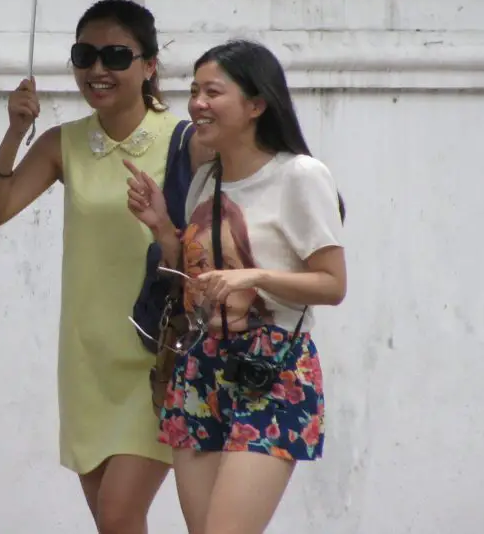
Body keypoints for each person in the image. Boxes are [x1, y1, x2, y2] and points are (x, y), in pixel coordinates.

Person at [0, 0, 210, 534]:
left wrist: (163, 229)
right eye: (85, 55)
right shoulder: (66, 143)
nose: (97, 70)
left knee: (119, 513)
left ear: (149, 64)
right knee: (113, 524)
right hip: (86, 361)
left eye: (115, 55)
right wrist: (15, 132)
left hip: (155, 359)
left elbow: (208, 252)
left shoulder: (187, 143)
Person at [125, 39, 347, 534]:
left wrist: (256, 277)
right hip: (201, 366)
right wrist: (163, 228)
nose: (197, 104)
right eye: (194, 91)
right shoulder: (207, 180)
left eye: (213, 92)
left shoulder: (300, 176)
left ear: (256, 104)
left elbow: (333, 284)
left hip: (272, 368)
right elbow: (197, 276)